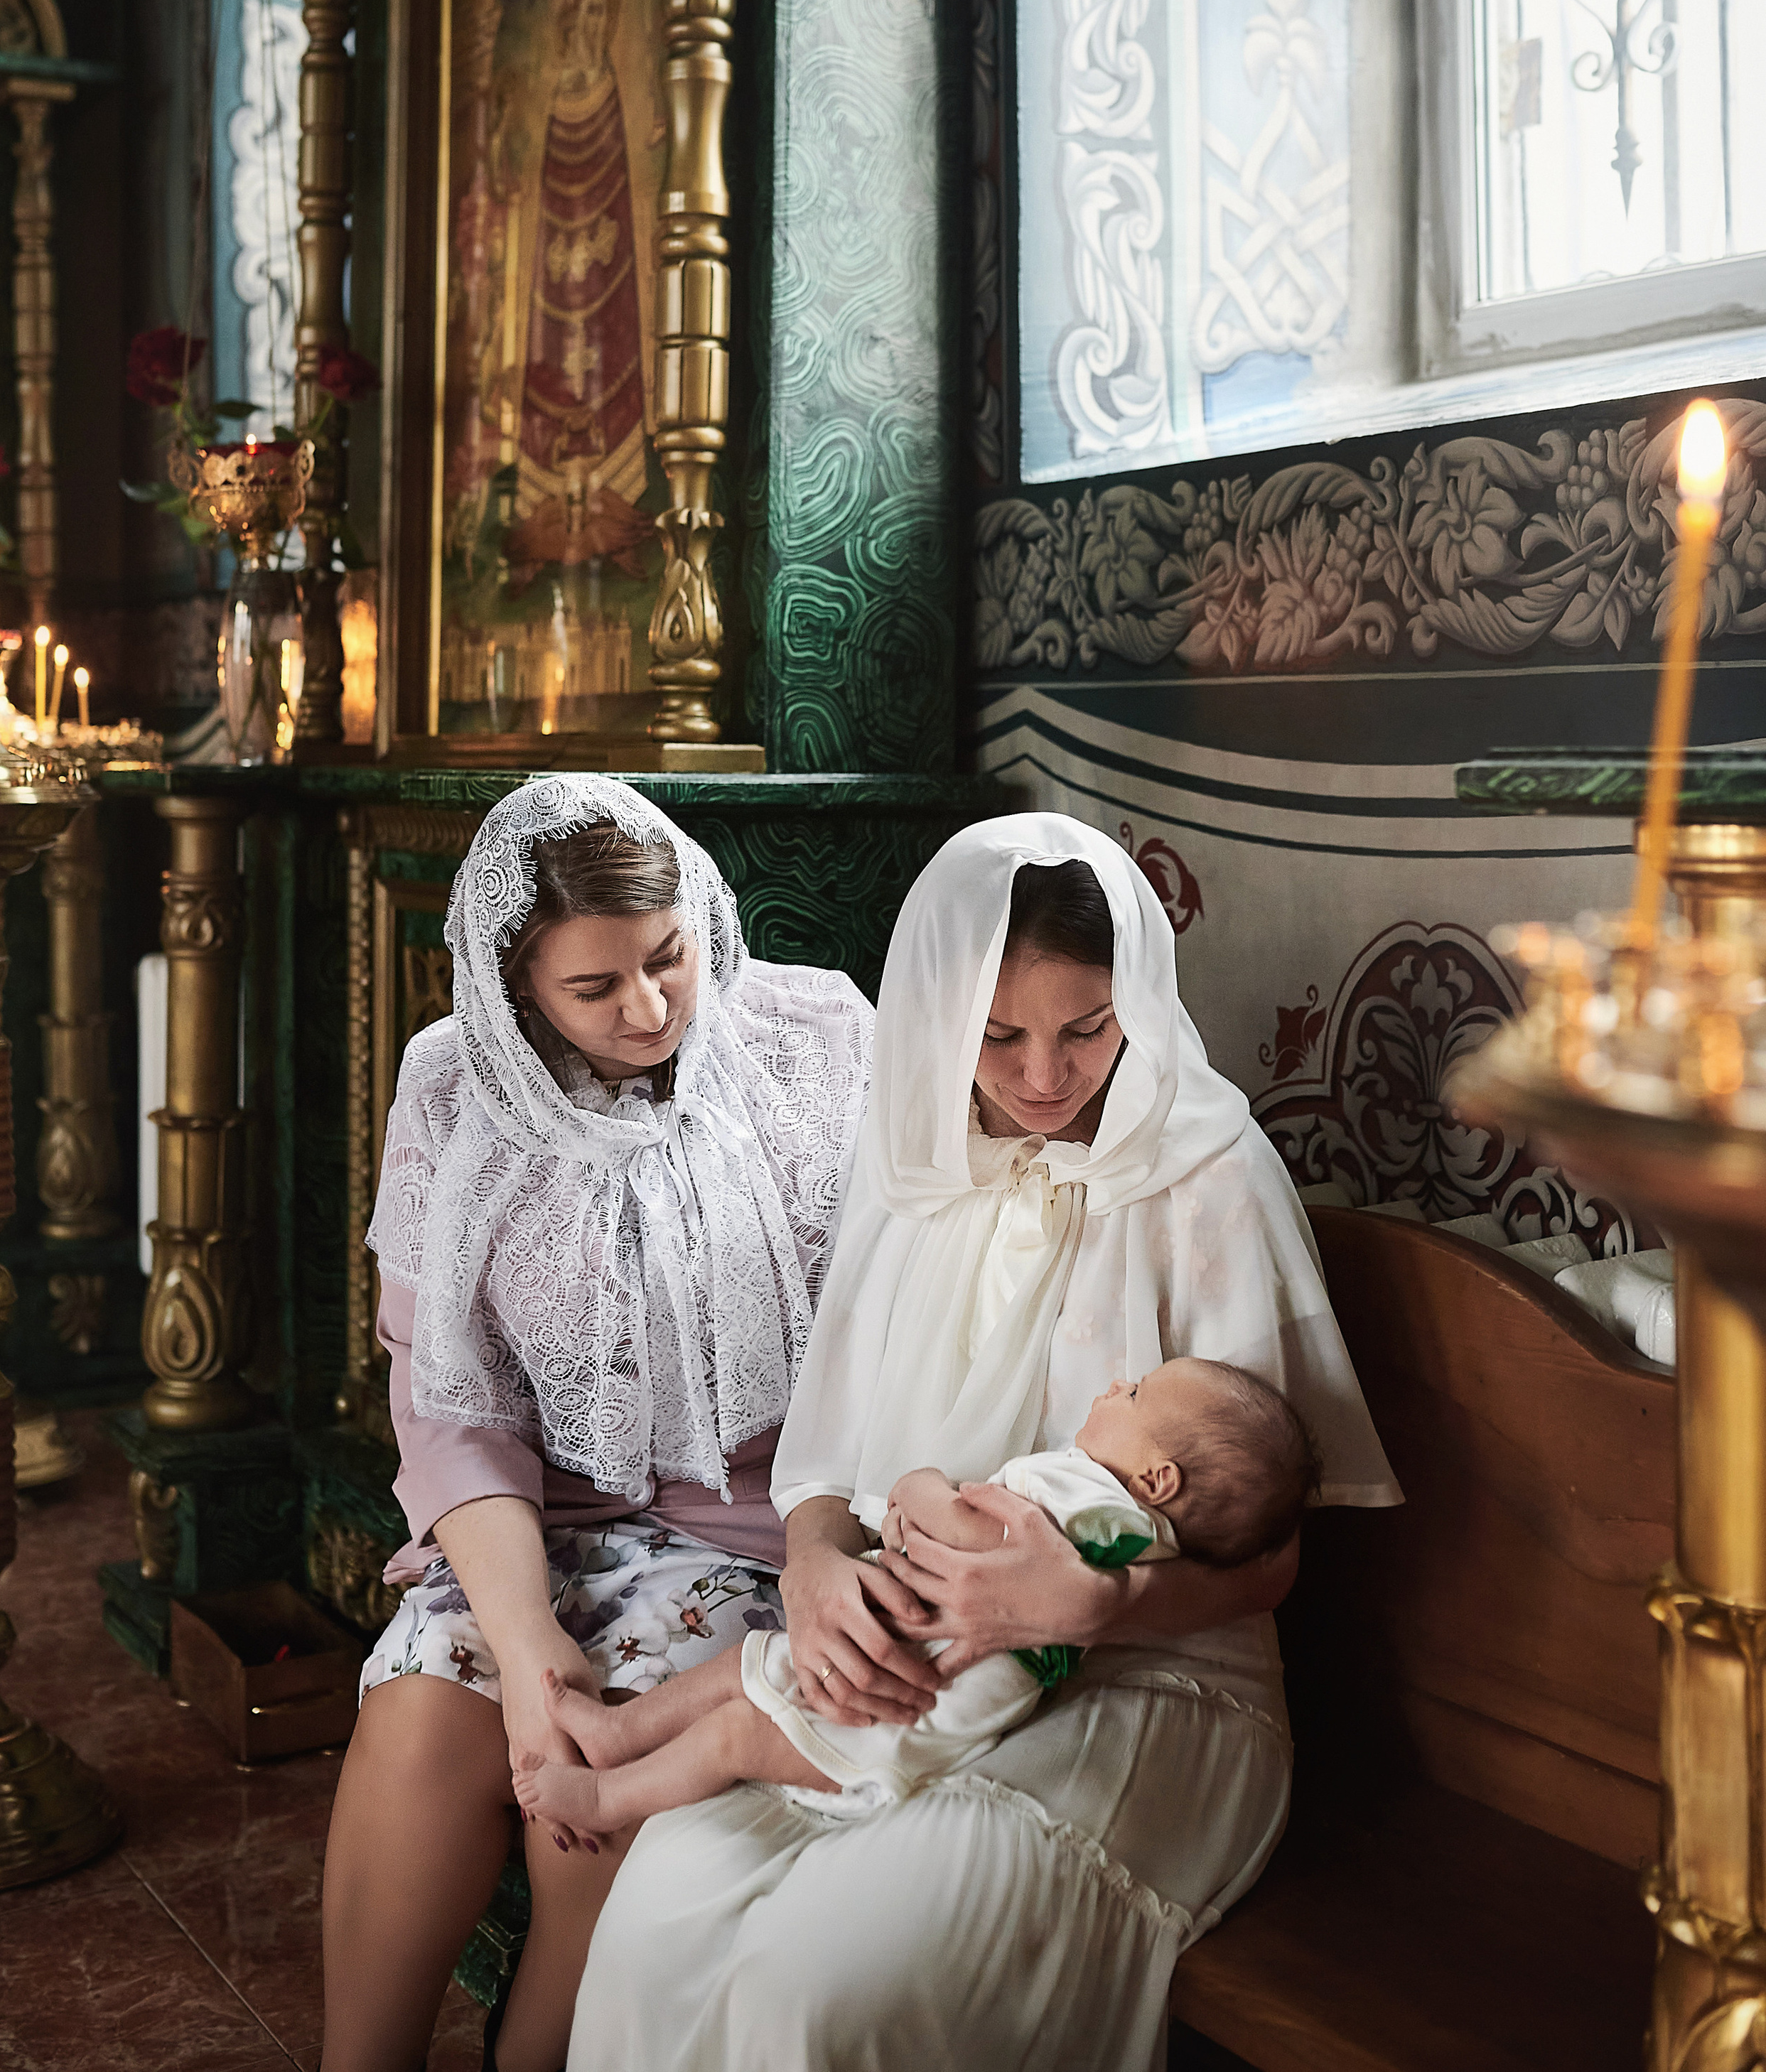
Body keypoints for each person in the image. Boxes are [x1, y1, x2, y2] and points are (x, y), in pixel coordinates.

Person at [567, 812, 1400, 2072]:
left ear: (1139, 1004)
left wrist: (1095, 1596)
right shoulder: (914, 1165)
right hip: (921, 1654)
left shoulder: (1209, 1170)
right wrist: (813, 1568)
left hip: (1148, 1686)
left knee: (818, 1983)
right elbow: (829, 1464)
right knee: (662, 1901)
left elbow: (1272, 1555)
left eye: (1087, 1028)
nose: (1045, 1076)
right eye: (999, 1034)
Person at [318, 778, 872, 2072]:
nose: (649, 1006)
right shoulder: (451, 1093)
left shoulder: (821, 1038)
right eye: (594, 986)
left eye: (668, 956)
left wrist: (827, 1533)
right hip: (534, 1526)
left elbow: (894, 1324)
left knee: (605, 1814)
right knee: (418, 1712)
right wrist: (522, 1648)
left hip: (764, 1529)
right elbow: (454, 1406)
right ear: (515, 991)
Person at [510, 1356, 1319, 1833]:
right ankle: (617, 1734)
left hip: (907, 1713)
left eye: (1136, 1396)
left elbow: (975, 1544)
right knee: (748, 1667)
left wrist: (917, 1487)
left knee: (736, 1735)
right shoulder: (1118, 1521)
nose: (1114, 1385)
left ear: (1159, 1477)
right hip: (913, 1648)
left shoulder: (1098, 1509)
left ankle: (606, 1796)